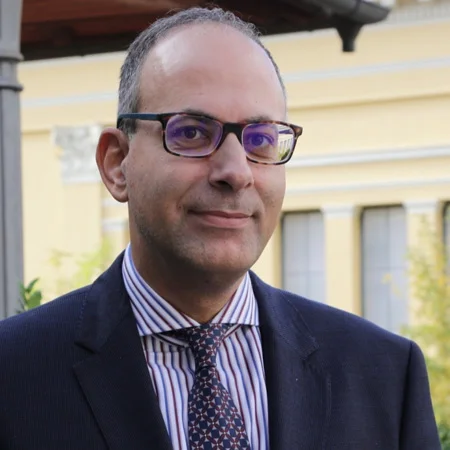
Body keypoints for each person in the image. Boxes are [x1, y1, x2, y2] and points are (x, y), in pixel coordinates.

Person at [0, 6, 441, 450]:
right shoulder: (14, 374)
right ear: (117, 164)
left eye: (261, 139)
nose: (236, 171)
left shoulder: (384, 377)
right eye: (191, 132)